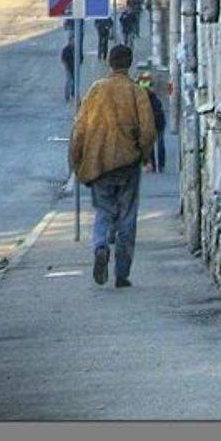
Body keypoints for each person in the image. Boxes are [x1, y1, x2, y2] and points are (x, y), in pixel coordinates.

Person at [68, 44, 157, 288]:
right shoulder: (136, 92)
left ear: (110, 63)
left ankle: (99, 246)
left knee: (103, 212)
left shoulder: (96, 91)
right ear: (128, 64)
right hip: (128, 164)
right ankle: (122, 273)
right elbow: (148, 130)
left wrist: (77, 162)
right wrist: (143, 154)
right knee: (127, 217)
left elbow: (79, 130)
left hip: (100, 164)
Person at [140, 73, 168, 172]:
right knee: (158, 144)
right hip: (157, 123)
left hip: (156, 124)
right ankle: (159, 165)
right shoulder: (153, 98)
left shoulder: (146, 99)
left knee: (154, 145)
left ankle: (155, 165)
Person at [60, 37, 76, 105]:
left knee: (75, 81)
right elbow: (63, 59)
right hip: (68, 67)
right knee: (69, 81)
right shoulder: (66, 49)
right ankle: (67, 96)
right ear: (69, 41)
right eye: (72, 41)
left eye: (74, 41)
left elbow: (80, 56)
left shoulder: (76, 49)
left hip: (75, 67)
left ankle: (73, 94)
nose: (73, 42)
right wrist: (66, 66)